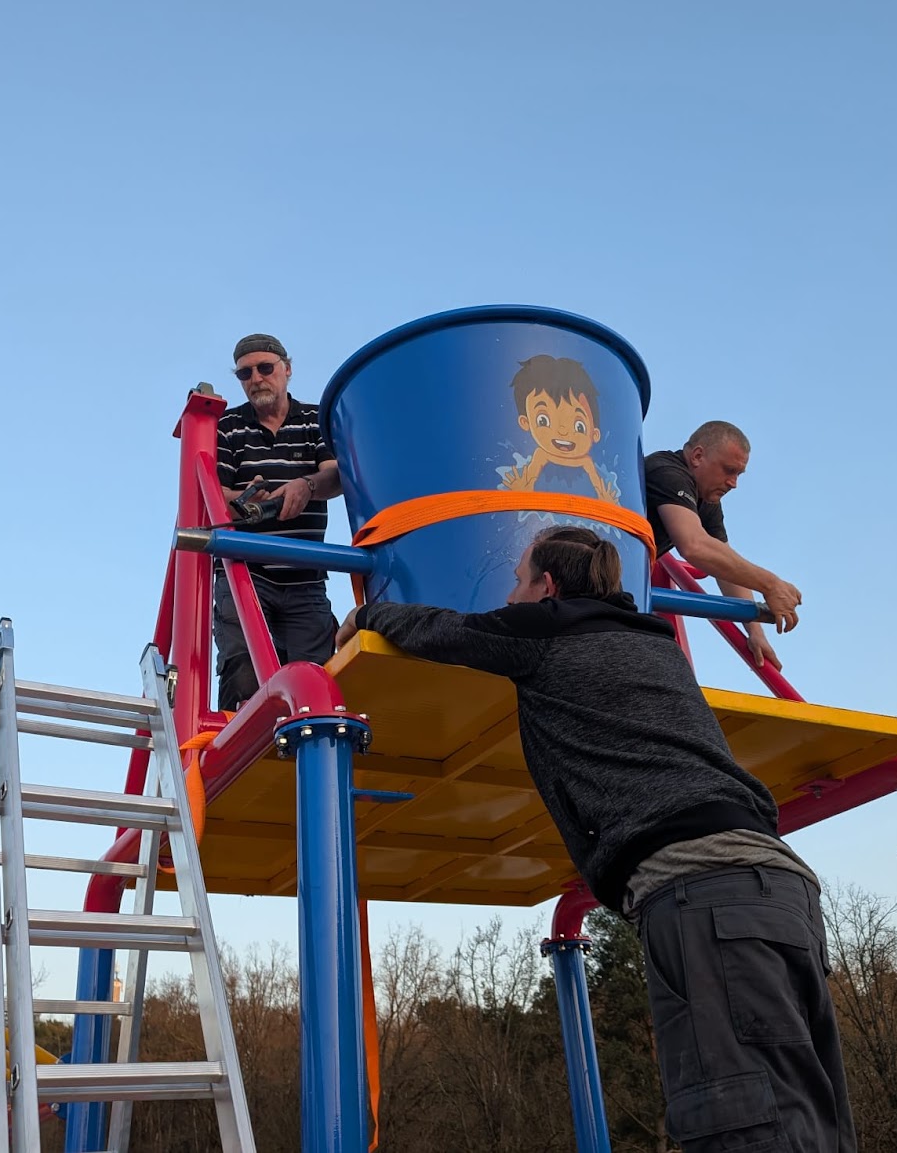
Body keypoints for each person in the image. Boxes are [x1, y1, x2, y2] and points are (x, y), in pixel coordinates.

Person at [336, 525, 855, 1152]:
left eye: (517, 580)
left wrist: (367, 614)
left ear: (547, 587)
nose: (509, 594)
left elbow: (444, 630)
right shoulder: (655, 643)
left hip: (702, 894)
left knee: (742, 1119)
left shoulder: (543, 630)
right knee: (810, 1112)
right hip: (783, 890)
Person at [212, 333, 343, 711]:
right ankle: (240, 746)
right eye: (245, 373)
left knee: (314, 682)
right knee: (244, 675)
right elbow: (214, 495)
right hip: (245, 573)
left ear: (287, 369)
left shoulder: (315, 420)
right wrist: (246, 501)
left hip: (306, 577)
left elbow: (336, 477)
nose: (256, 379)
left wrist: (306, 486)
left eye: (265, 368)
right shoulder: (227, 426)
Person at [646, 421, 802, 670]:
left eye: (739, 474)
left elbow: (723, 562)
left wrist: (755, 632)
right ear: (698, 456)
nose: (733, 483)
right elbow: (695, 545)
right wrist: (770, 585)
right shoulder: (667, 471)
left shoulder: (706, 500)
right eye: (729, 470)